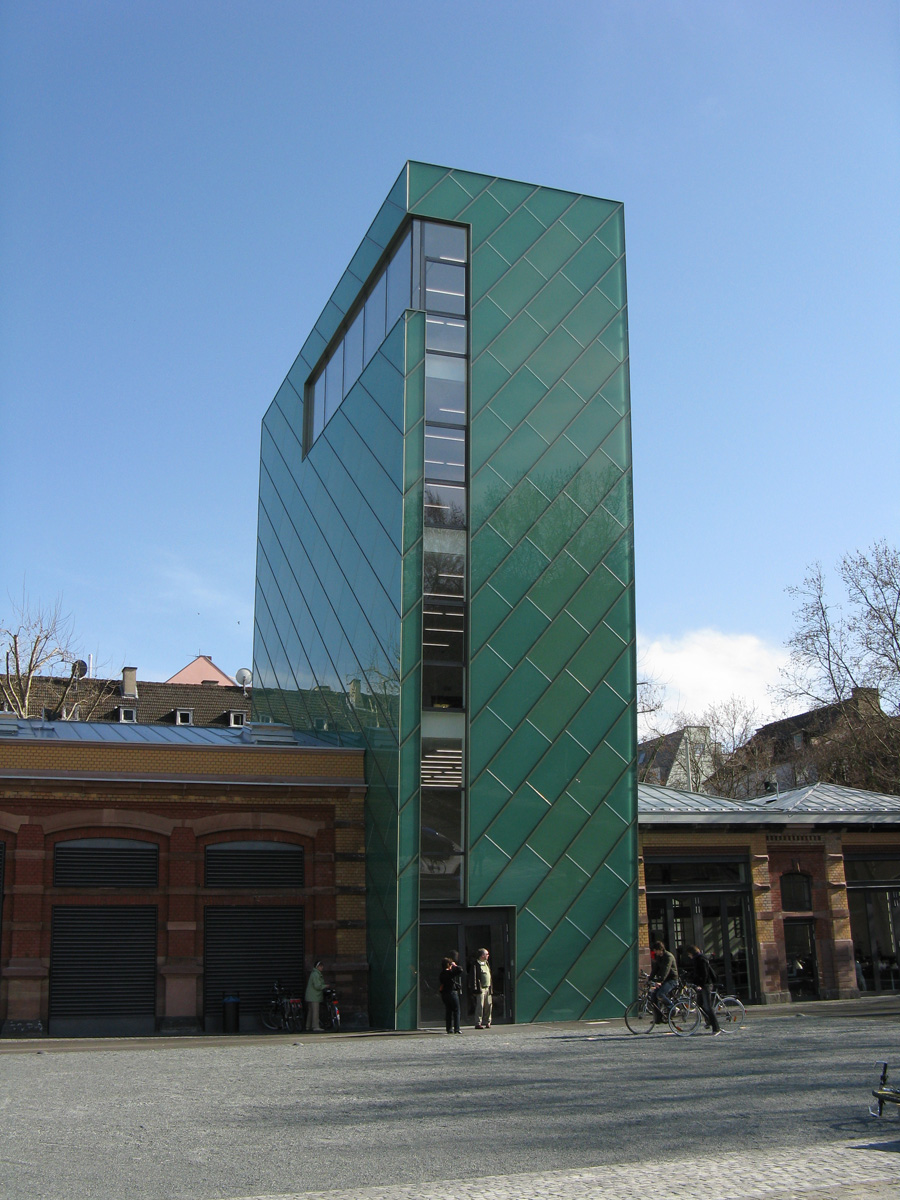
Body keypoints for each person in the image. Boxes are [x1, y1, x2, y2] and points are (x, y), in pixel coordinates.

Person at [687, 945, 721, 1035]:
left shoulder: (701, 959)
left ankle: (716, 1028)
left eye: (689, 954)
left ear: (692, 953)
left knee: (708, 1006)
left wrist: (700, 985)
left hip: (706, 984)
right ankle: (708, 1020)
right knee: (699, 1004)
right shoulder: (697, 959)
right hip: (703, 984)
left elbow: (704, 974)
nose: (688, 956)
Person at [648, 939, 678, 1020]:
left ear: (660, 949)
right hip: (664, 979)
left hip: (672, 979)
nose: (655, 952)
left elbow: (666, 970)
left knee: (660, 994)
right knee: (653, 996)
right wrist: (650, 978)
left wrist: (660, 981)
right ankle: (658, 1018)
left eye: (656, 951)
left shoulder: (668, 956)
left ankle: (672, 1008)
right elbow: (656, 968)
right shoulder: (659, 957)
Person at [439, 954, 463, 1034]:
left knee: (448, 1011)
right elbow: (460, 970)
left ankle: (449, 1028)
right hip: (452, 993)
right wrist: (455, 965)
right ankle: (457, 1028)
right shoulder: (450, 973)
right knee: (456, 1010)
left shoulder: (442, 974)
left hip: (444, 994)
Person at [472, 948, 493, 1029]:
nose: (488, 956)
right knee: (480, 1005)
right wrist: (475, 988)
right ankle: (478, 1022)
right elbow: (474, 977)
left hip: (488, 987)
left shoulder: (486, 963)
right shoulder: (476, 964)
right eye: (487, 954)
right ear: (482, 955)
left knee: (489, 1005)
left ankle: (488, 1021)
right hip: (481, 988)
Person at [305, 960, 326, 1031]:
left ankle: (308, 1026)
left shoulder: (313, 973)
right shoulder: (316, 974)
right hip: (314, 996)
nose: (322, 967)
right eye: (321, 966)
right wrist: (325, 986)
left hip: (310, 996)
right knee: (315, 1012)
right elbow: (317, 986)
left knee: (310, 1012)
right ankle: (315, 1026)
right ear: (317, 967)